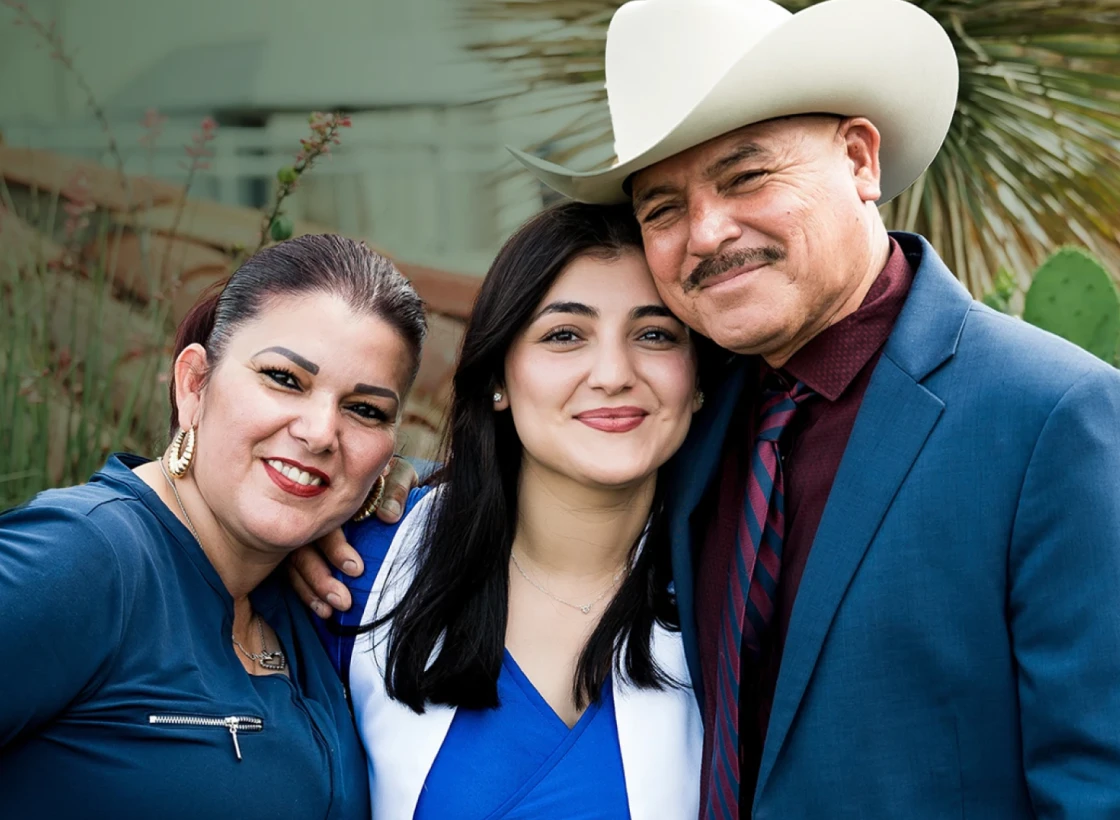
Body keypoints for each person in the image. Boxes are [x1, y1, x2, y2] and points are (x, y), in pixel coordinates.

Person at [303, 0, 1120, 817]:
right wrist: (345, 500)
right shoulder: (698, 407)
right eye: (663, 207)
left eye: (747, 176)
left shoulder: (1049, 415)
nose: (707, 232)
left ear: (861, 158)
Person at [0, 234, 427, 820]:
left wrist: (414, 483)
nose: (321, 432)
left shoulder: (297, 594)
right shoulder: (81, 558)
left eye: (365, 410)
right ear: (194, 383)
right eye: (284, 378)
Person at [305, 202, 704, 820]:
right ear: (497, 377)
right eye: (564, 335)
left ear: (698, 379)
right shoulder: (357, 573)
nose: (613, 374)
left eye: (654, 335)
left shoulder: (748, 587)